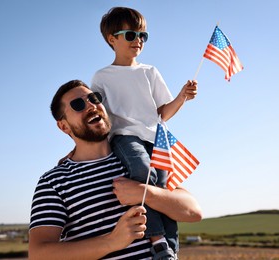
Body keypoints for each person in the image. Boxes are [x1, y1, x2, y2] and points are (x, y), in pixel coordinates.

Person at [29, 80, 203, 260]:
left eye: (94, 98)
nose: (91, 105)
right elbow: (39, 254)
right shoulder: (53, 182)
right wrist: (112, 241)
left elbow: (193, 211)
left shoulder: (137, 158)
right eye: (78, 105)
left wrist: (146, 193)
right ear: (64, 126)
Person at [90, 7, 198, 259]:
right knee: (142, 171)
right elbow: (96, 116)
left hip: (157, 137)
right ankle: (157, 239)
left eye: (143, 35)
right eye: (130, 34)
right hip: (125, 136)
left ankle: (169, 252)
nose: (138, 40)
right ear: (111, 39)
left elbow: (163, 112)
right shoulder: (101, 77)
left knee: (163, 191)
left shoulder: (150, 72)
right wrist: (73, 150)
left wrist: (182, 97)